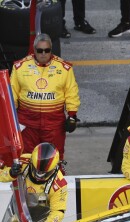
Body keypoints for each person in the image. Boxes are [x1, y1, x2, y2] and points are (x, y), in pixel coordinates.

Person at [10, 33, 80, 165]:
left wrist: (72, 115)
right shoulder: (20, 67)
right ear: (34, 50)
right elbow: (12, 93)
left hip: (54, 123)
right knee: (26, 158)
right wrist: (10, 119)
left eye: (47, 50)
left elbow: (71, 92)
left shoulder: (64, 68)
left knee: (54, 158)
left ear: (51, 50)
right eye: (40, 50)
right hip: (27, 122)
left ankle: (55, 185)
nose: (43, 53)